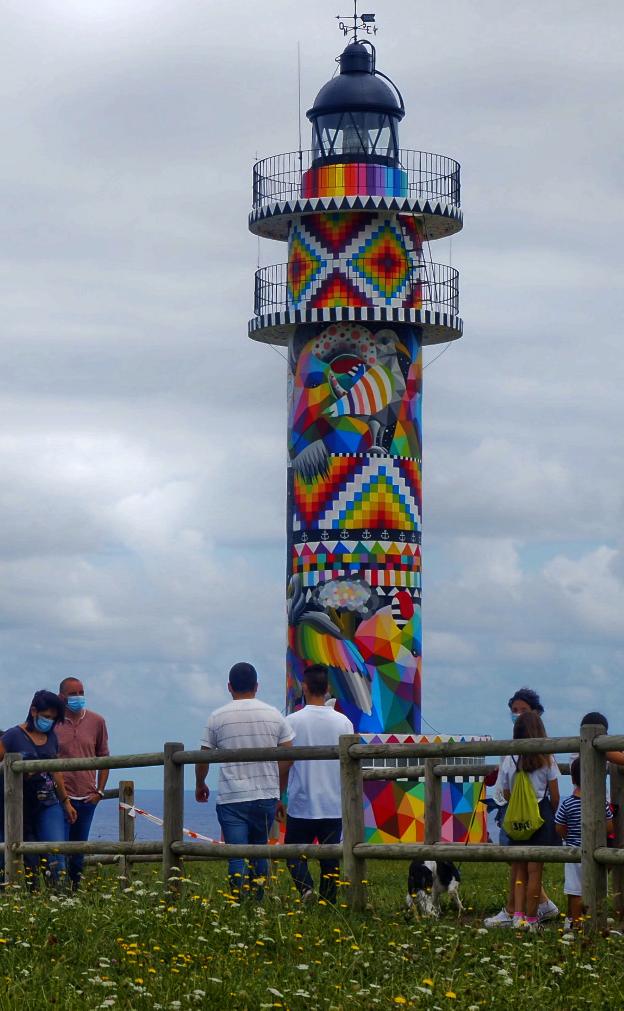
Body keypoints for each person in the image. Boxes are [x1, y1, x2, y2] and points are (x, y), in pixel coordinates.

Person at [195, 662, 294, 900]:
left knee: (236, 854)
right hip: (265, 795)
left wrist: (201, 783)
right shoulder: (273, 715)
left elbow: (203, 756)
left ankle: (238, 899)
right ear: (256, 686)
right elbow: (289, 755)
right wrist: (277, 788)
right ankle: (258, 898)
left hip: (232, 796)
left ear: (229, 687)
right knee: (259, 849)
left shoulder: (217, 717)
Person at [279, 664, 353, 905]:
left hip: (302, 801)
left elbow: (285, 762)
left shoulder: (292, 721)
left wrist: (280, 795)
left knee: (292, 853)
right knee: (330, 860)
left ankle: (306, 889)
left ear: (305, 686)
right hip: (333, 802)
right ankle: (329, 903)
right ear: (328, 689)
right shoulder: (344, 722)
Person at [485, 687, 559, 928]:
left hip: (517, 819)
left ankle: (515, 915)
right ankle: (531, 918)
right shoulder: (547, 756)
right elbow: (555, 794)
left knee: (518, 870)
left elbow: (505, 791)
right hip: (541, 816)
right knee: (535, 871)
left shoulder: (510, 757)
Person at [0, 691, 77, 886]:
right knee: (21, 856)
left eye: (53, 718)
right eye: (47, 717)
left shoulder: (52, 738)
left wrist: (66, 801)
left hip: (48, 801)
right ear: (34, 711)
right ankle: (21, 895)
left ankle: (60, 895)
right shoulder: (12, 736)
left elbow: (56, 771)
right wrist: (18, 773)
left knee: (55, 851)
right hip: (18, 804)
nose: (49, 722)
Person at [56, 676, 110, 890]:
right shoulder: (54, 723)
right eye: (73, 693)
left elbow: (104, 757)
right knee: (58, 849)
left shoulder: (97, 722)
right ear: (62, 697)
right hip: (60, 797)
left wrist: (100, 791)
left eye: (81, 692)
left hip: (86, 797)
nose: (78, 697)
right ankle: (57, 892)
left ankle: (73, 891)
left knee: (78, 853)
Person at [555, 757, 613, 930]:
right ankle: (596, 922)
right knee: (597, 889)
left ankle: (576, 924)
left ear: (572, 779)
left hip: (574, 851)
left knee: (574, 892)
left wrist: (569, 836)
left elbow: (559, 827)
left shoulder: (566, 803)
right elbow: (609, 826)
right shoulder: (599, 802)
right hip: (596, 851)